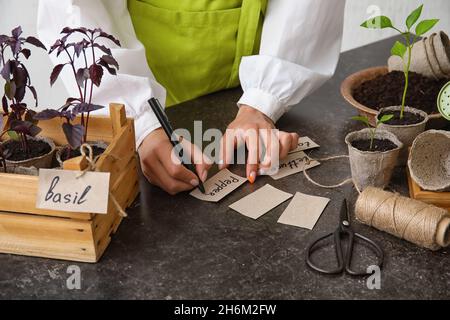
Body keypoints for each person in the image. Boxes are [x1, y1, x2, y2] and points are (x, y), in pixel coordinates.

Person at [37, 0, 345, 195]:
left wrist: (262, 102)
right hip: (150, 85)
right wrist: (142, 123)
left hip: (251, 78)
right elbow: (78, 7)